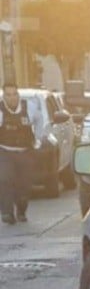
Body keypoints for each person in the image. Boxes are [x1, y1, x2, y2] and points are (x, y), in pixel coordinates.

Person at [0, 83, 42, 224]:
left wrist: (38, 139)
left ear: (18, 95)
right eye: (8, 95)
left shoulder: (29, 107)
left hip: (25, 152)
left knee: (24, 184)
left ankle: (21, 210)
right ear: (4, 96)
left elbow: (40, 120)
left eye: (14, 94)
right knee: (5, 180)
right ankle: (7, 212)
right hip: (5, 152)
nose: (12, 98)